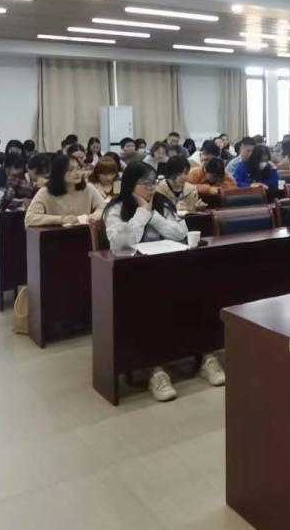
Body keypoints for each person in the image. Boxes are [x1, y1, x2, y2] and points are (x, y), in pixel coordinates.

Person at [102, 162, 223, 401]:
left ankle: (206, 356)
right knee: (150, 306)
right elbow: (122, 243)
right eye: (145, 184)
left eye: (153, 182)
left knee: (203, 295)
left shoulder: (163, 203)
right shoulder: (115, 209)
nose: (151, 188)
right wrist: (142, 213)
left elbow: (180, 233)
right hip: (134, 275)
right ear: (130, 185)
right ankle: (155, 370)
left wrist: (153, 214)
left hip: (170, 268)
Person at [25, 153, 106, 227]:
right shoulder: (45, 192)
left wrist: (95, 215)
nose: (77, 173)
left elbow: (104, 207)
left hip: (84, 233)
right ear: (59, 172)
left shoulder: (88, 188)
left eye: (79, 168)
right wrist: (61, 219)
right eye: (71, 169)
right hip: (56, 234)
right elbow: (30, 218)